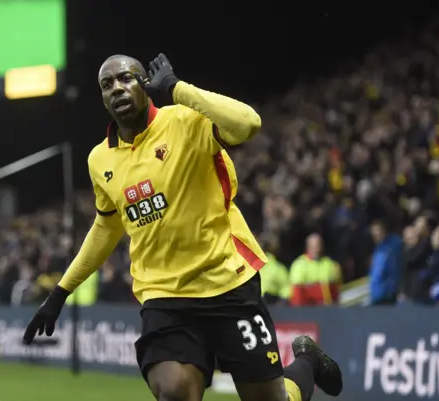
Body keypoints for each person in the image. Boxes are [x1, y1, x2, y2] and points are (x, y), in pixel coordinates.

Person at [23, 53, 343, 401]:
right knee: (175, 392)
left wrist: (177, 88)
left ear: (145, 84)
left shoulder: (185, 121)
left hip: (226, 282)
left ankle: (307, 360)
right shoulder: (100, 160)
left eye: (127, 78)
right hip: (165, 296)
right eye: (107, 84)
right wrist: (60, 293)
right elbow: (106, 227)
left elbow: (248, 123)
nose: (117, 88)